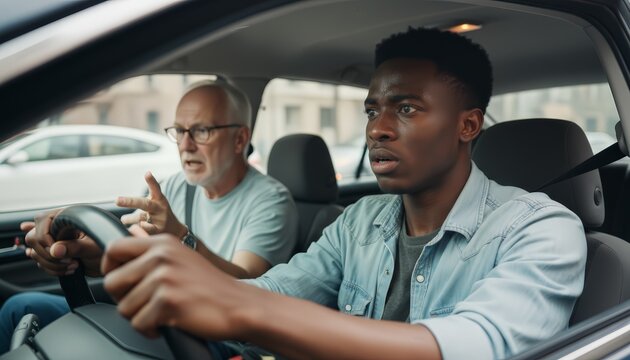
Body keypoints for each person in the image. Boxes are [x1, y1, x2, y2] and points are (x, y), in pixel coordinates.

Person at [102, 27, 587, 359]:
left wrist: (242, 309)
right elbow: (270, 292)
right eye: (372, 111)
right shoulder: (360, 221)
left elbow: (475, 346)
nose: (378, 129)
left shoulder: (541, 229)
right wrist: (114, 257)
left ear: (468, 125)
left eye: (407, 109)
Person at [0, 80, 298, 353]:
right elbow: (130, 251)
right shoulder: (172, 187)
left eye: (201, 131)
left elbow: (249, 285)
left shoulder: (271, 200)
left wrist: (180, 238)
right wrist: (75, 253)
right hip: (158, 316)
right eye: (179, 131)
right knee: (21, 307)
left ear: (239, 139)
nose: (185, 145)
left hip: (216, 336)